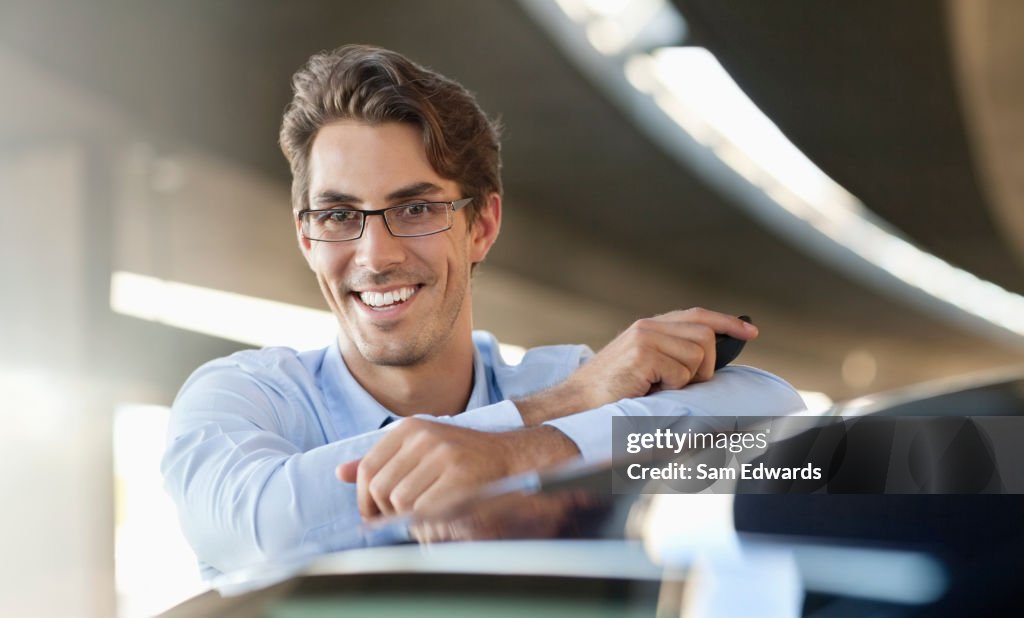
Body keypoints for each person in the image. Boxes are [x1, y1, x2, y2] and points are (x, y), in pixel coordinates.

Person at [162, 44, 805, 579]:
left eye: (415, 209)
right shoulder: (242, 398)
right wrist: (549, 419)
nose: (375, 255)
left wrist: (526, 454)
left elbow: (783, 428)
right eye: (338, 215)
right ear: (307, 238)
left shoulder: (557, 383)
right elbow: (263, 524)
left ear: (482, 226)